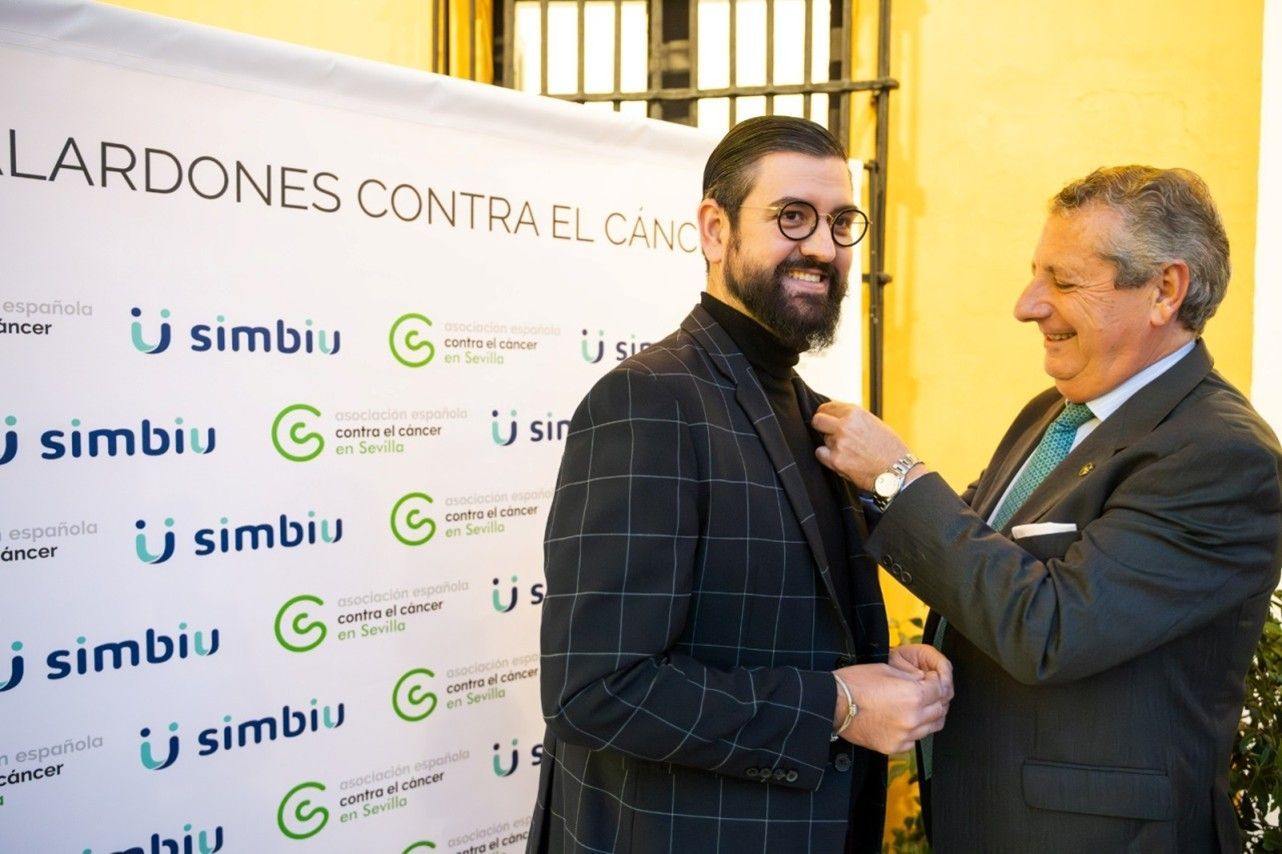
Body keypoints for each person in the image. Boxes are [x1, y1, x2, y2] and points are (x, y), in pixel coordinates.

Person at [812, 165, 1282, 852]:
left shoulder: (1220, 454)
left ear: (1164, 290)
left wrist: (898, 476)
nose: (1027, 305)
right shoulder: (1054, 411)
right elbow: (973, 554)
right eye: (1036, 275)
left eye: (1063, 282)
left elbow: (1053, 628)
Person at [528, 116, 953, 853]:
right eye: (792, 216)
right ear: (715, 230)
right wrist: (838, 705)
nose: (822, 247)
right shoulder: (650, 400)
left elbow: (770, 630)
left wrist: (878, 676)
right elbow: (594, 690)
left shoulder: (813, 412)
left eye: (840, 222)